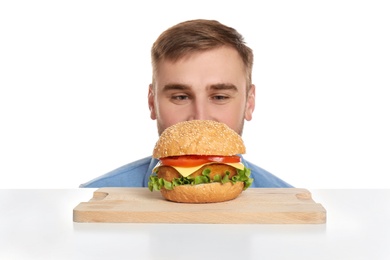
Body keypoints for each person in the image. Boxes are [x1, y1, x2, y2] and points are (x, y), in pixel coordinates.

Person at [80, 19, 292, 188]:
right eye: (180, 97)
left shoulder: (287, 205)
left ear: (249, 104)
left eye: (219, 97)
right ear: (152, 103)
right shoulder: (95, 198)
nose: (199, 118)